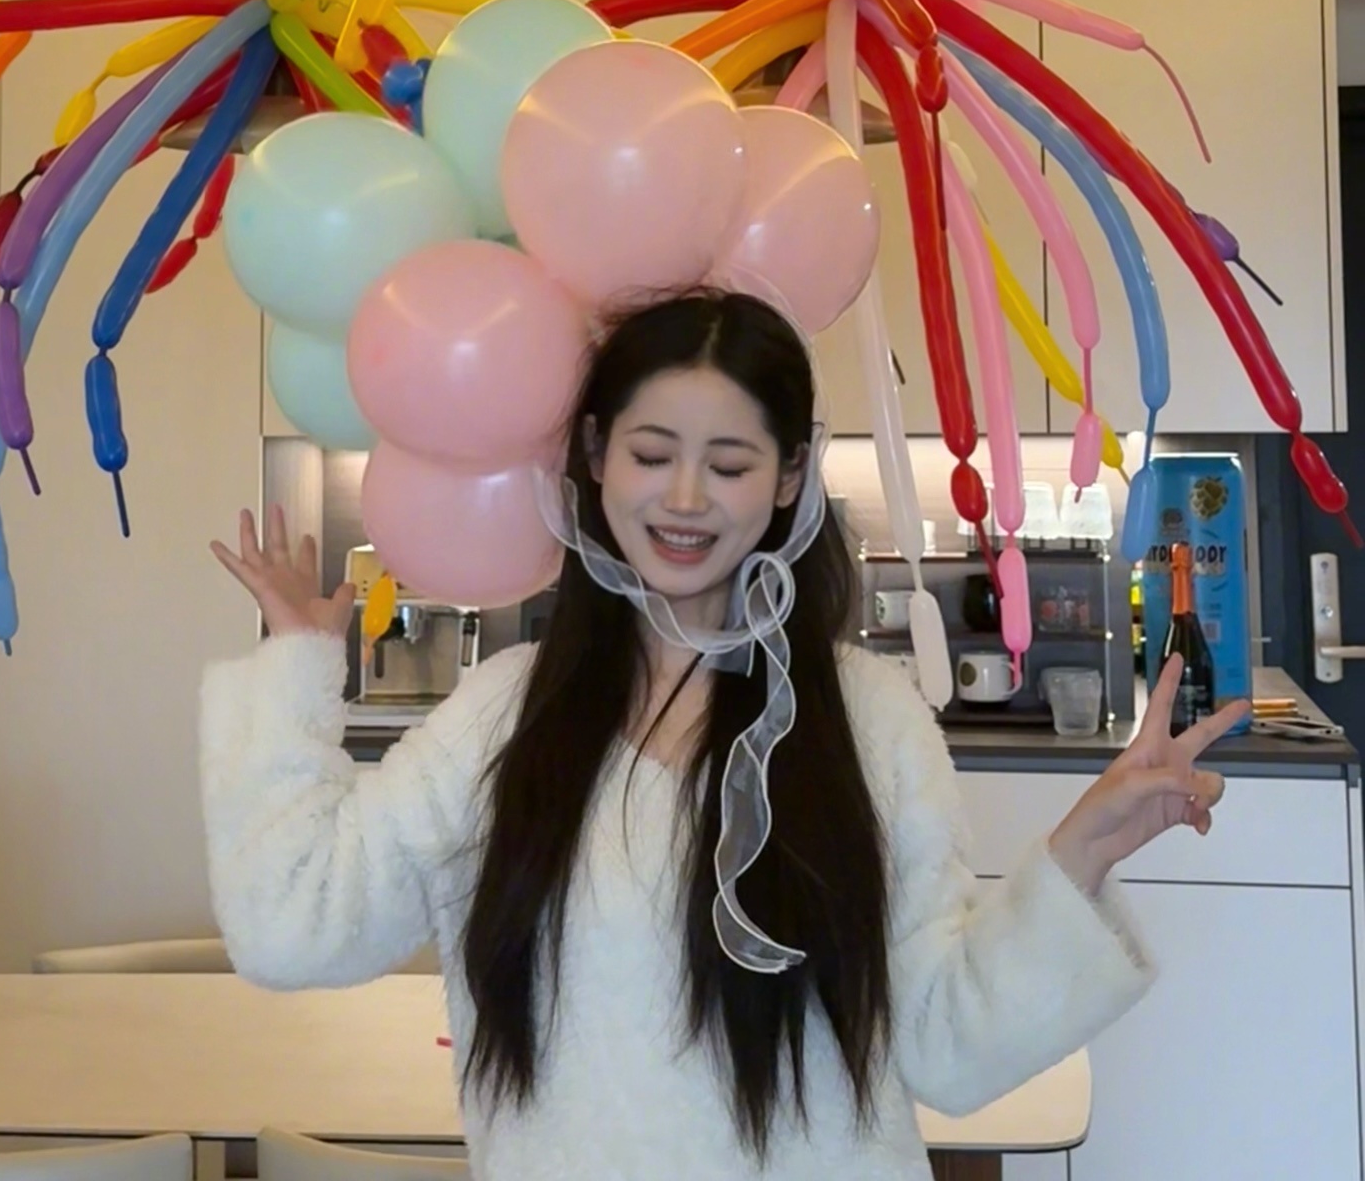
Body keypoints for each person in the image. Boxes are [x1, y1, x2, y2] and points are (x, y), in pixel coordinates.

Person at [201, 290, 1246, 1181]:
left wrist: (1083, 852)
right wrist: (297, 668)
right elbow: (296, 925)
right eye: (652, 453)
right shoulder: (502, 720)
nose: (686, 497)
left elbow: (944, 1045)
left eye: (731, 463)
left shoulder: (868, 720)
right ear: (597, 456)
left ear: (789, 477)